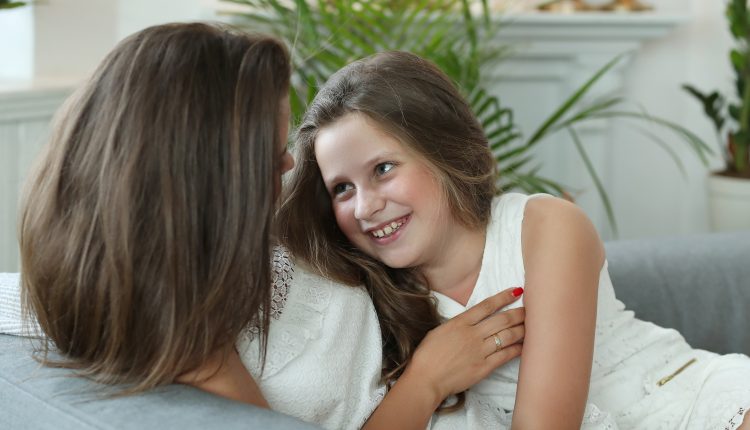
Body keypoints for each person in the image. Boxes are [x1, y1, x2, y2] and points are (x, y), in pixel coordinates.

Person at [0, 23, 528, 430]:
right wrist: (428, 379)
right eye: (271, 153)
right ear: (208, 180)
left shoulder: (224, 243)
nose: (289, 166)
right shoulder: (191, 334)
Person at [277, 50, 750, 429]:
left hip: (692, 402)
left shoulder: (545, 227)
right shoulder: (362, 297)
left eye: (383, 169)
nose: (364, 206)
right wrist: (424, 378)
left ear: (442, 151)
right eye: (342, 189)